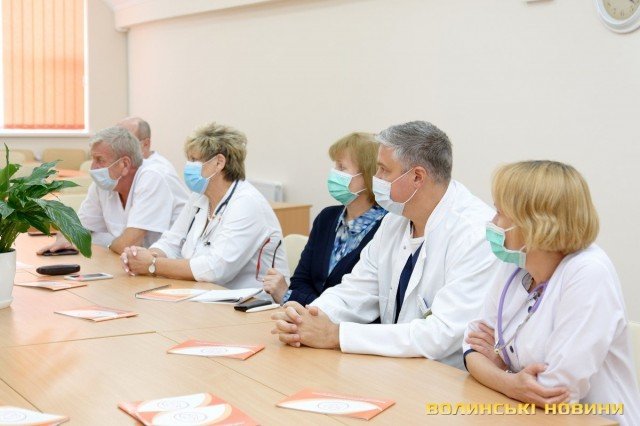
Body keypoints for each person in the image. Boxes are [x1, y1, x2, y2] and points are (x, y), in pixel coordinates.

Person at [271, 121, 499, 369]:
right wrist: (308, 318)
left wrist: (336, 335)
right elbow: (356, 290)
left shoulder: (475, 233)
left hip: (445, 377)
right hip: (397, 367)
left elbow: (441, 335)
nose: (375, 178)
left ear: (417, 177)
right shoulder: (394, 220)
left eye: (383, 170)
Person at [463, 161, 640, 424]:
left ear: (532, 222)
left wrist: (501, 366)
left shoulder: (589, 272)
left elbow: (555, 392)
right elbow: (471, 346)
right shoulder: (516, 263)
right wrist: (511, 383)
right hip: (525, 415)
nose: (493, 223)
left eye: (499, 213)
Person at [120, 122, 290, 289]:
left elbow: (215, 269)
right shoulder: (199, 197)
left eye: (194, 160)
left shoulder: (247, 203)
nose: (188, 166)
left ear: (219, 162)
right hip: (202, 292)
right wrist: (144, 256)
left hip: (249, 300)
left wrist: (153, 264)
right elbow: (171, 241)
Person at [262, 132, 386, 305]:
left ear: (367, 176)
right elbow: (300, 281)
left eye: (341, 167)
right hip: (305, 317)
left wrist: (288, 296)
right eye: (335, 166)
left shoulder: (387, 228)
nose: (334, 173)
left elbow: (356, 305)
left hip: (343, 322)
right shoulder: (327, 218)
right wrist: (299, 300)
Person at [37, 126, 188, 255]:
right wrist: (65, 239)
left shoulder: (153, 177)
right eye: (92, 159)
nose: (93, 167)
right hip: (130, 264)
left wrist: (99, 243)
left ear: (125, 164)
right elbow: (77, 228)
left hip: (173, 267)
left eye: (100, 160)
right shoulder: (105, 183)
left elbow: (128, 245)